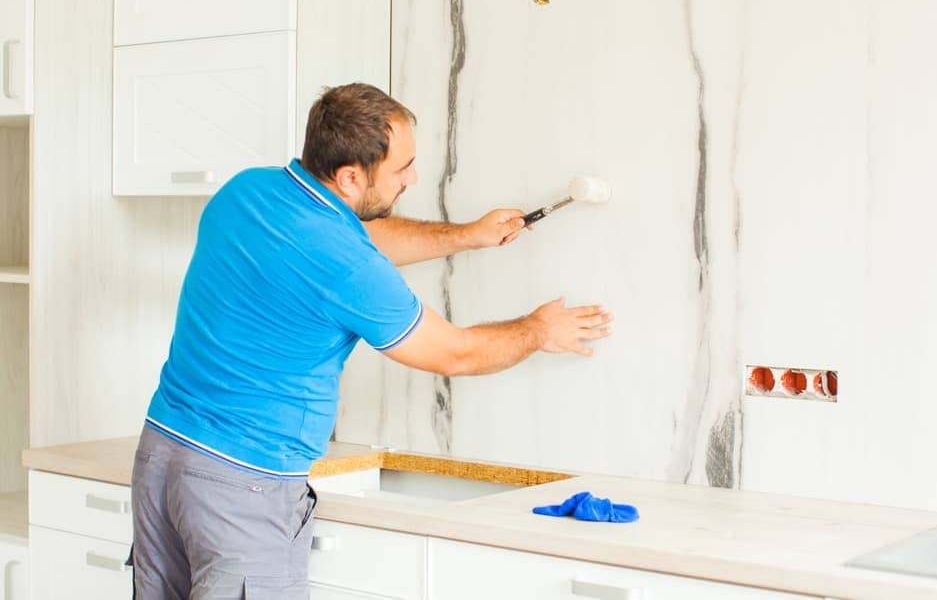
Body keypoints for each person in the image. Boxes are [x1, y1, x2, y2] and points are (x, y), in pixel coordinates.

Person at [129, 83, 613, 599]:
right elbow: (455, 352)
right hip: (243, 484)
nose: (413, 177)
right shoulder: (348, 267)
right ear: (351, 175)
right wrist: (539, 330)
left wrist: (467, 234)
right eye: (401, 168)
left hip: (162, 456)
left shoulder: (248, 192)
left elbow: (359, 236)